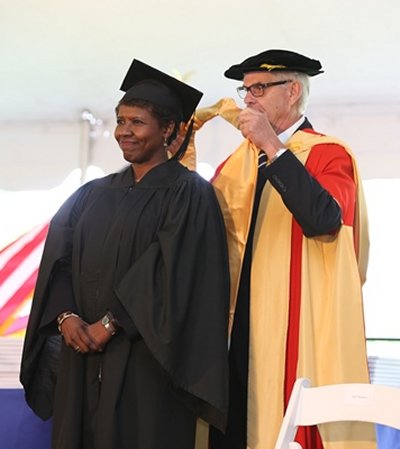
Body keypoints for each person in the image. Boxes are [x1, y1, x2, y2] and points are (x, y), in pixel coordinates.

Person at [20, 59, 230, 449]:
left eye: (137, 122)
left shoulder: (190, 194)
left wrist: (110, 324)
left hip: (147, 358)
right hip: (80, 353)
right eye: (121, 121)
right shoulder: (92, 194)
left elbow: (174, 270)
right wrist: (67, 319)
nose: (124, 132)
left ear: (168, 129)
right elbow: (58, 260)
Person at [189, 50, 374, 449]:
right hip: (235, 329)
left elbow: (325, 219)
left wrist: (272, 145)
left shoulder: (327, 153)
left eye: (258, 88)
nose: (248, 99)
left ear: (292, 92)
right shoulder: (234, 166)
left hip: (296, 325)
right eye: (245, 90)